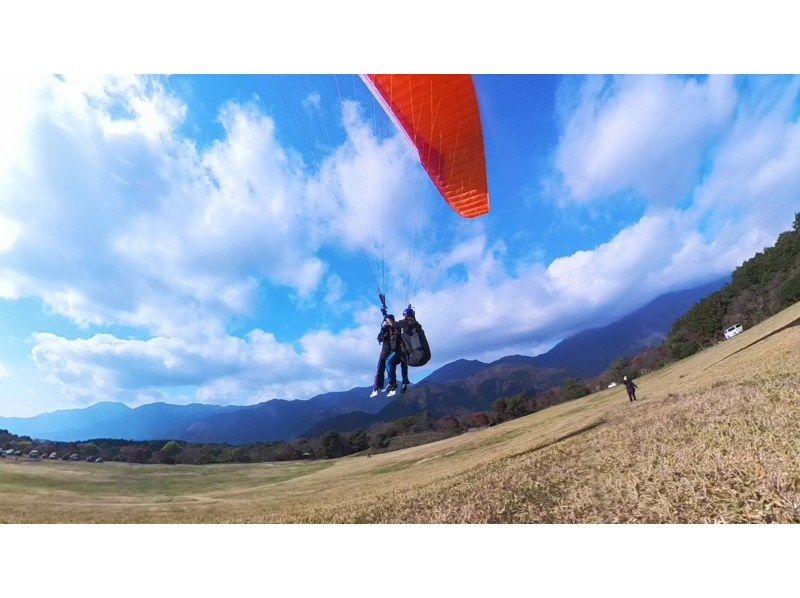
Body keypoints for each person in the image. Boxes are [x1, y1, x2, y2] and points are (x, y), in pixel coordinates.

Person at [370, 314, 397, 397]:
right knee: (389, 368)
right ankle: (392, 388)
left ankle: (376, 389)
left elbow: (379, 338)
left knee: (380, 368)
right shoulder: (395, 327)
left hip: (386, 350)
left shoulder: (386, 327)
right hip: (392, 350)